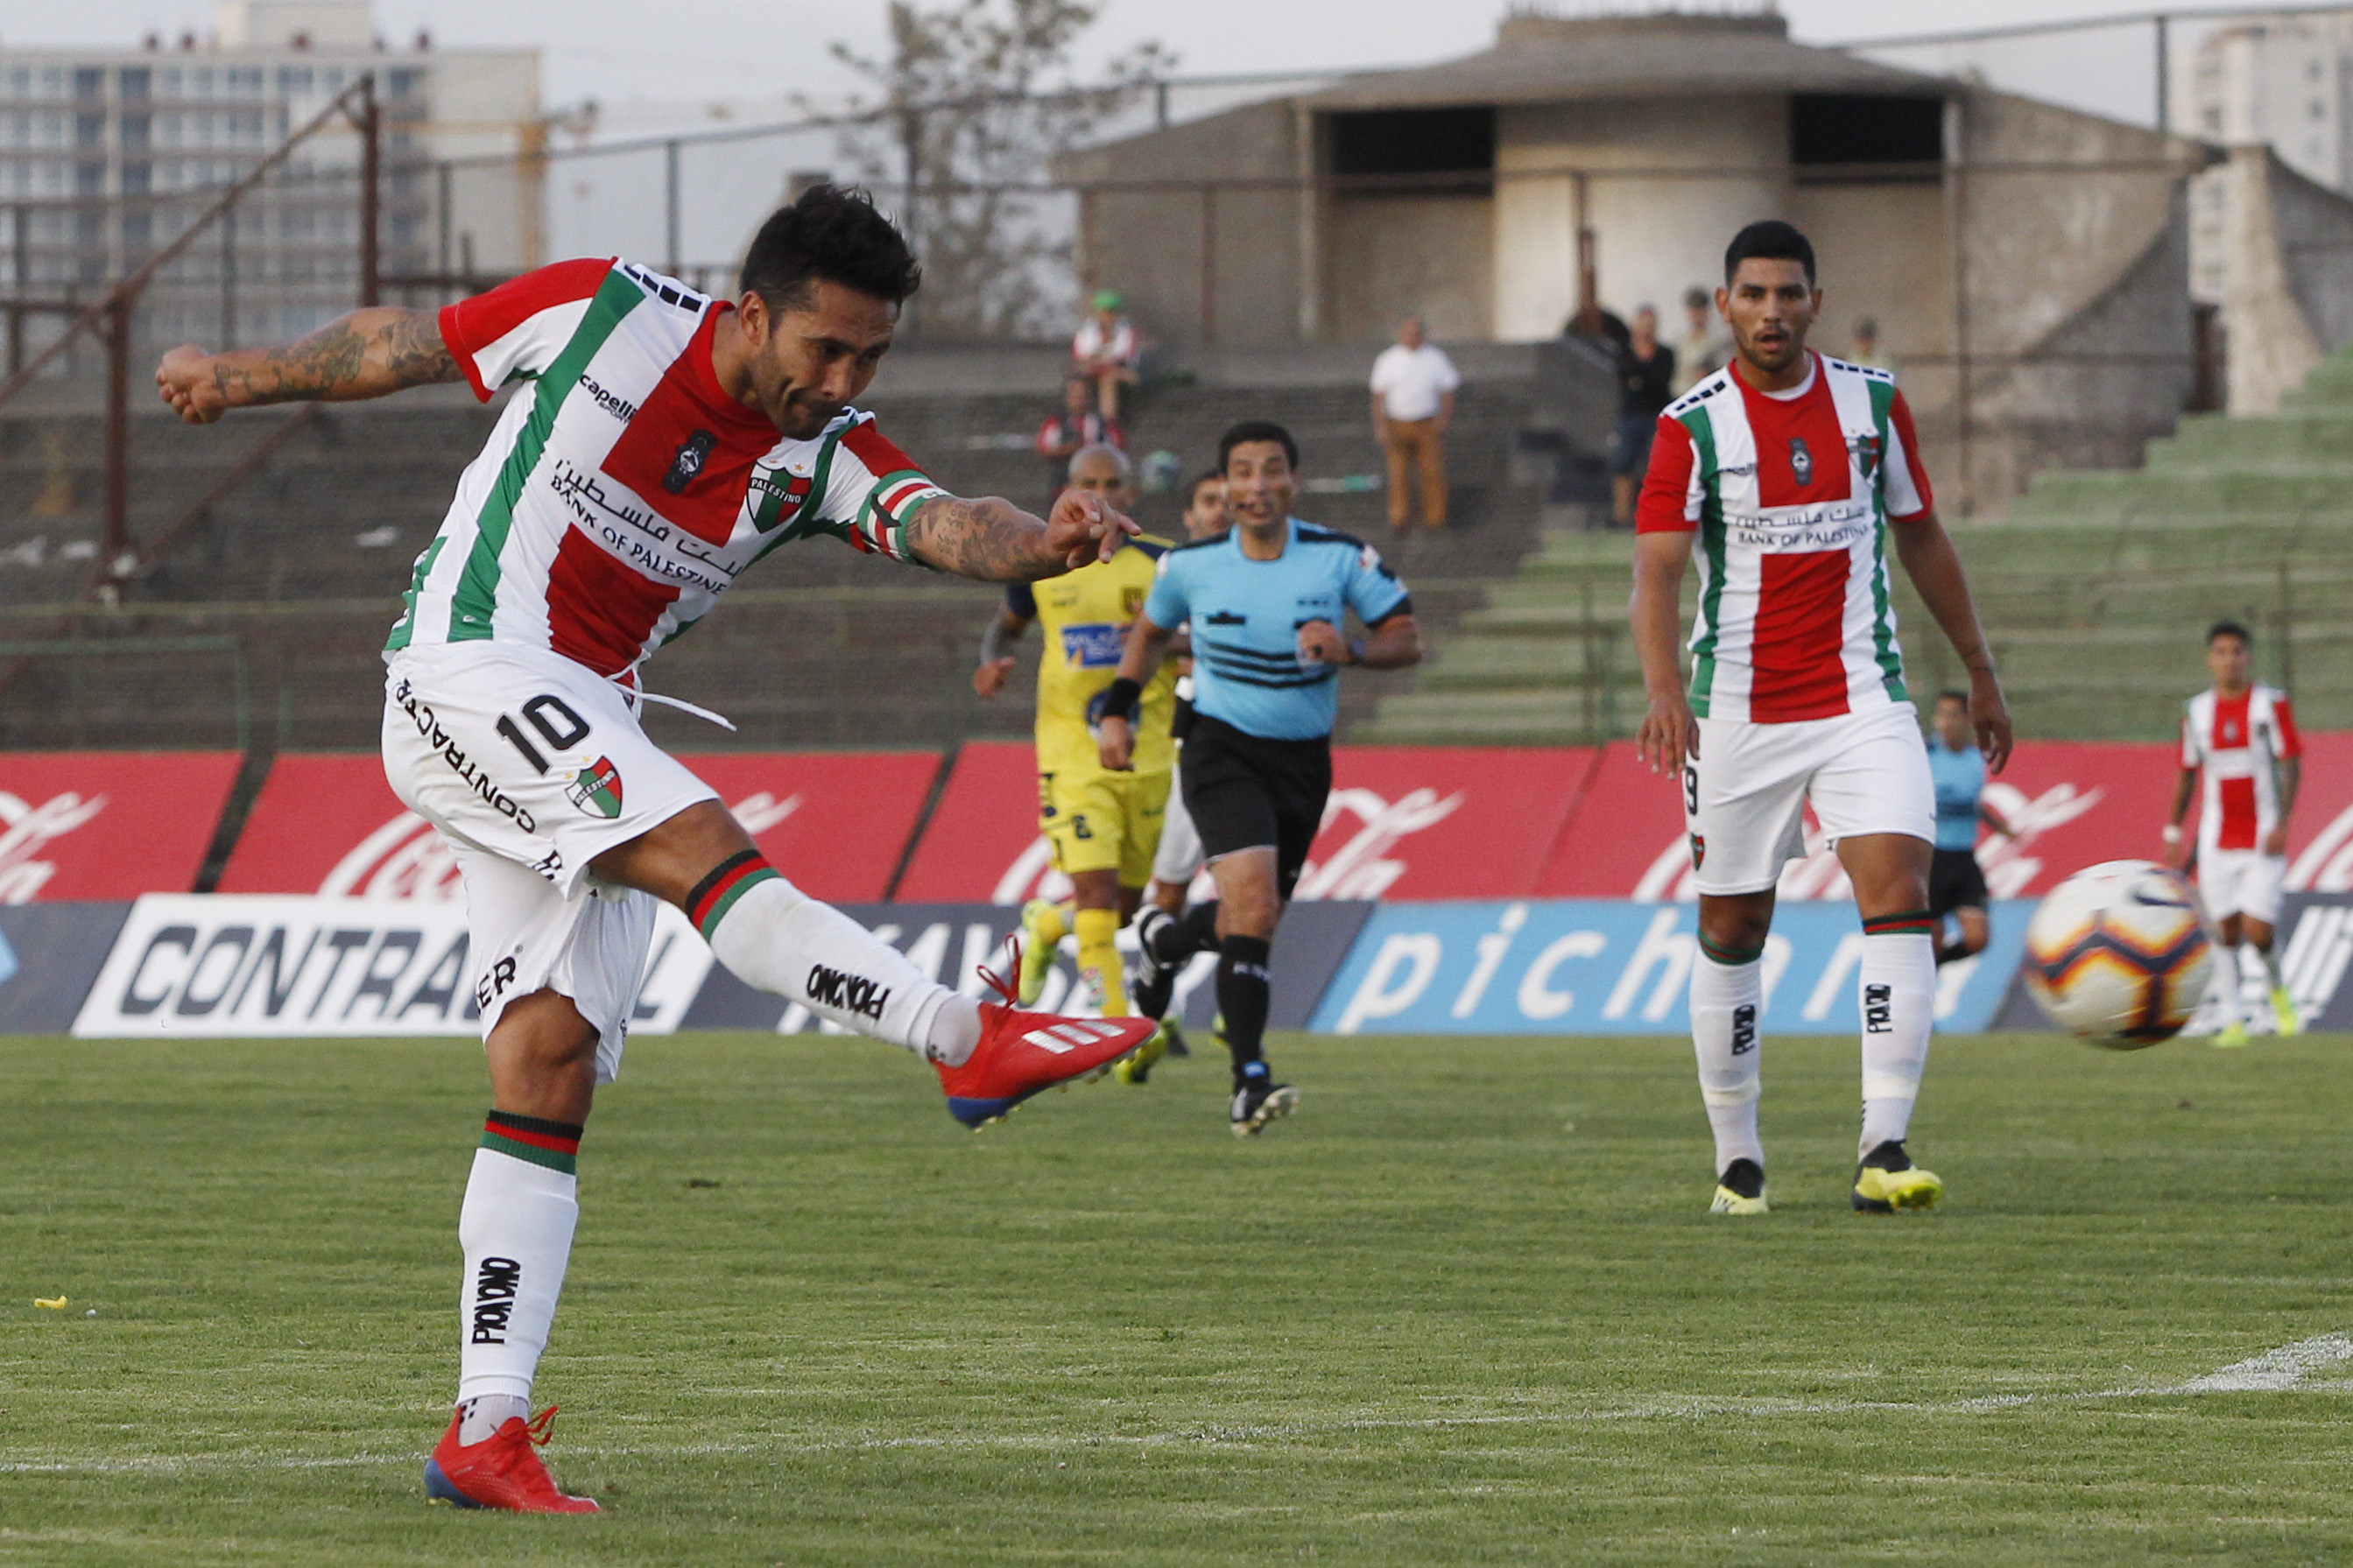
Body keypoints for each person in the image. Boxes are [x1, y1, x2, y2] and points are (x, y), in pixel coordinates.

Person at [153, 184, 1158, 1515]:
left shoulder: (822, 451)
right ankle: (957, 1037)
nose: (845, 379)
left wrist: (1044, 541)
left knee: (548, 1056)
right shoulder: (604, 311)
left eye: (871, 357)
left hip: (585, 710)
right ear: (753, 313)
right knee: (699, 847)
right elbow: (402, 344)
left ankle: (485, 1427)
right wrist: (232, 376)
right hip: (465, 669)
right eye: (827, 349)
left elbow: (936, 516)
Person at [1630, 219, 2012, 1219]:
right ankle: (1737, 1158)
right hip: (1734, 713)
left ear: (1813, 300)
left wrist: (1976, 667)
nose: (1770, 311)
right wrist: (1664, 689)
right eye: (1751, 294)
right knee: (1731, 924)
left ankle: (1881, 1145)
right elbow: (1656, 570)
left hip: (1861, 700)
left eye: (1787, 293)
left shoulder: (1870, 404)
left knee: (1897, 891)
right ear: (1723, 306)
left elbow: (1920, 534)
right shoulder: (1689, 426)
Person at [1097, 419, 1422, 1135]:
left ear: (1292, 481)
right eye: (1242, 472)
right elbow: (1148, 635)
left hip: (1302, 759)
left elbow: (1406, 636)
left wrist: (1354, 648)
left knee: (1256, 918)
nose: (1257, 486)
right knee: (1251, 911)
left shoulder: (1339, 559)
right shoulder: (1190, 566)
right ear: (1226, 486)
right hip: (1219, 749)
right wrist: (1116, 711)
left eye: (1271, 470)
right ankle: (1249, 1078)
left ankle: (1164, 943)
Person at [972, 443, 1180, 1074]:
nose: (1101, 495)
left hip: (1149, 751)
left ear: (1131, 493)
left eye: (1112, 483)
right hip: (1071, 751)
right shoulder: (1043, 562)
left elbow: (1197, 635)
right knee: (1093, 888)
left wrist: (1166, 643)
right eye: (1088, 484)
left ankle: (1044, 927)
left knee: (1123, 904)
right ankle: (1120, 1035)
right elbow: (1004, 628)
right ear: (1069, 492)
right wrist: (989, 662)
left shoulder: (1164, 562)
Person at [2166, 620, 2303, 1045]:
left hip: (2262, 835)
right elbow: (2187, 773)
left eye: (2238, 652)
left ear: (2248, 657)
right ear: (2211, 660)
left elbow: (2292, 763)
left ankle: (2278, 991)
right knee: (2223, 931)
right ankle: (2232, 1020)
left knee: (2258, 931)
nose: (2230, 660)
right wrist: (2174, 830)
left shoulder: (2270, 704)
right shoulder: (2197, 711)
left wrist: (2282, 823)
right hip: (2216, 839)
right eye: (2222, 652)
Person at [1926, 689, 2015, 965]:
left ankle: (1936, 964)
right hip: (1932, 859)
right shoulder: (1926, 754)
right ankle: (1927, 978)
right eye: (1941, 715)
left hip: (1964, 859)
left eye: (1953, 715)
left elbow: (1972, 805)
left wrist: (1998, 827)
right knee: (1932, 941)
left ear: (1966, 718)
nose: (1946, 722)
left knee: (1978, 939)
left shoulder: (1975, 759)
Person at [1368, 315, 1460, 531]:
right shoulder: (1388, 360)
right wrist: (1380, 426)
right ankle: (1399, 517)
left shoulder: (1435, 359)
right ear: (1400, 334)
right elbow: (1378, 396)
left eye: (1416, 333)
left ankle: (1436, 517)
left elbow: (1448, 390)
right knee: (1398, 473)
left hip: (1426, 423)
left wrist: (1443, 419)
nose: (1412, 337)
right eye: (1408, 332)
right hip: (1397, 423)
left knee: (1431, 471)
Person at [1611, 305, 1675, 528]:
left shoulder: (1665, 354)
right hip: (1631, 415)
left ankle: (1654, 513)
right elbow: (1625, 378)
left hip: (1655, 416)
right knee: (1623, 464)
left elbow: (1659, 381)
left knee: (1656, 466)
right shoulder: (1624, 352)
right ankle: (1621, 515)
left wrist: (1640, 379)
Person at [1071, 289, 1139, 420]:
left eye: (1112, 312)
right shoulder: (1086, 330)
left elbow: (1122, 357)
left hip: (1116, 370)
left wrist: (1101, 359)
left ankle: (1108, 422)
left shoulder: (1126, 330)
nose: (1108, 316)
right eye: (1104, 311)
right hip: (1091, 370)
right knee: (1082, 381)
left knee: (1108, 379)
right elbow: (1083, 357)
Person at [1671, 285, 1727, 397]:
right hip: (1680, 396)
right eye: (1693, 310)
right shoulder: (1679, 342)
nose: (1696, 315)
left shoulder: (1717, 342)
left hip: (1705, 397)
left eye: (1700, 310)